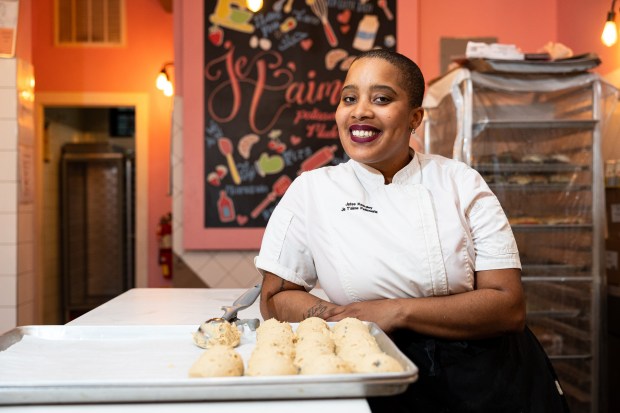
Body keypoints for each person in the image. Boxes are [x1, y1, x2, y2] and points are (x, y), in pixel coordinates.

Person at [254, 49, 569, 412]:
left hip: (487, 378)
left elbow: (507, 305)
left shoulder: (460, 182)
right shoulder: (312, 191)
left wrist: (395, 311)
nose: (360, 111)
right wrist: (347, 323)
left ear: (415, 117)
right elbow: (275, 297)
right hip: (376, 369)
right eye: (349, 98)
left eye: (382, 99)